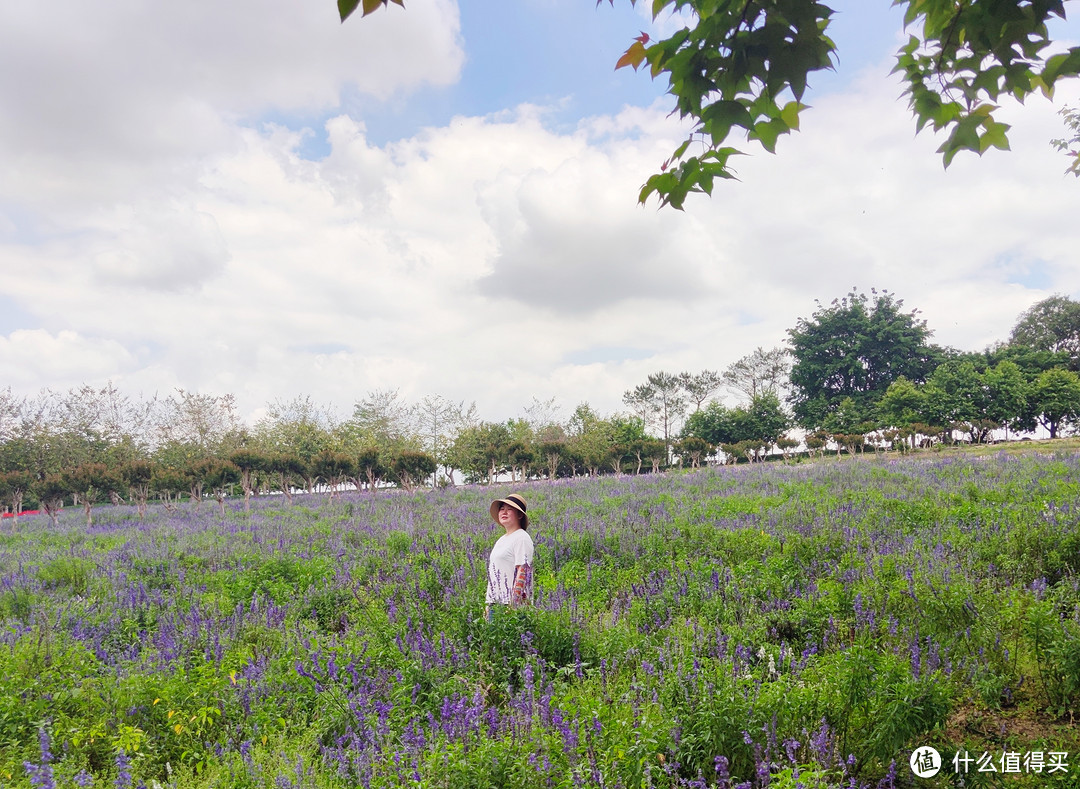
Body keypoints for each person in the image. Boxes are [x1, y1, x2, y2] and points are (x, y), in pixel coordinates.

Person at [485, 493, 534, 619]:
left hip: (511, 606)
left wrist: (514, 605)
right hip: (495, 604)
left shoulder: (521, 538)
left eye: (509, 510)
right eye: (502, 509)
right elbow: (494, 573)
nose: (504, 512)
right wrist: (488, 605)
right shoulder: (502, 540)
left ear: (519, 515)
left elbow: (523, 571)